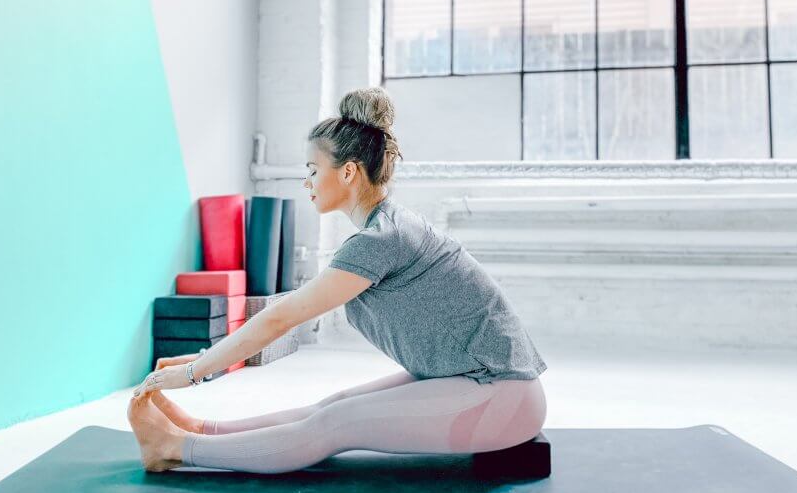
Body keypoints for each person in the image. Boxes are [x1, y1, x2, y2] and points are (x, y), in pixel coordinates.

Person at [127, 86, 547, 473]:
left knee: (336, 423)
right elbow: (295, 304)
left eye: (312, 169)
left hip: (500, 394)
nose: (306, 181)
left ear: (348, 173)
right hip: (474, 380)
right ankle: (201, 429)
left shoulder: (381, 239)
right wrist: (206, 358)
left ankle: (173, 449)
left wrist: (196, 371)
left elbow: (281, 318)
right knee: (337, 404)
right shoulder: (386, 228)